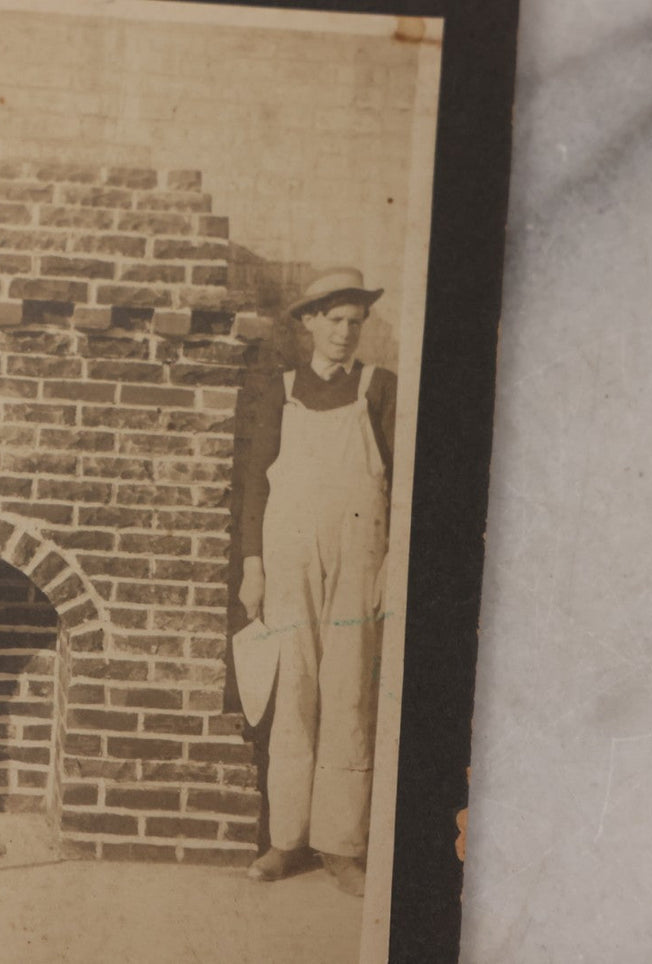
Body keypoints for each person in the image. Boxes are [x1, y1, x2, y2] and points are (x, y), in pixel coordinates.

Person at [237, 268, 396, 897]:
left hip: (359, 560)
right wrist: (253, 566)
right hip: (288, 560)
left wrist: (393, 562)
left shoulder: (377, 388)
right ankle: (286, 840)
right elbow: (255, 482)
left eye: (355, 322)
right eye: (334, 320)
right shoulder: (281, 390)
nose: (345, 332)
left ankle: (342, 846)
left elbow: (402, 482)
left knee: (349, 691)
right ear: (309, 323)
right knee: (295, 690)